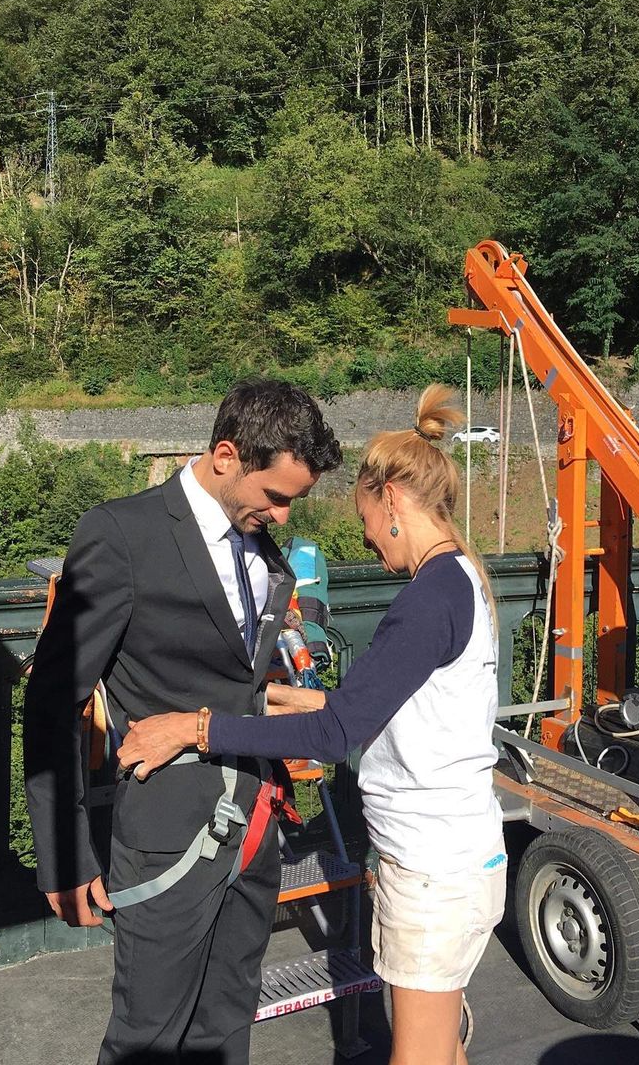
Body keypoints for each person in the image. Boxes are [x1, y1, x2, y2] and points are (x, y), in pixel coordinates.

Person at [119, 385, 506, 1065]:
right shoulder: (460, 579)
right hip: (462, 857)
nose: (365, 537)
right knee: (442, 1047)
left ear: (391, 499)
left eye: (364, 517)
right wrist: (273, 700)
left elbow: (335, 737)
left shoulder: (427, 599)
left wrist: (198, 728)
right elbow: (377, 708)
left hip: (431, 872)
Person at [24, 378, 342, 1065]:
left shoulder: (260, 544)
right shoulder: (122, 534)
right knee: (146, 1040)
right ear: (226, 455)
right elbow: (52, 700)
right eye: (275, 495)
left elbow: (237, 682)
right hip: (166, 840)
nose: (283, 515)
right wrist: (65, 857)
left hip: (254, 828)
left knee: (225, 1029)